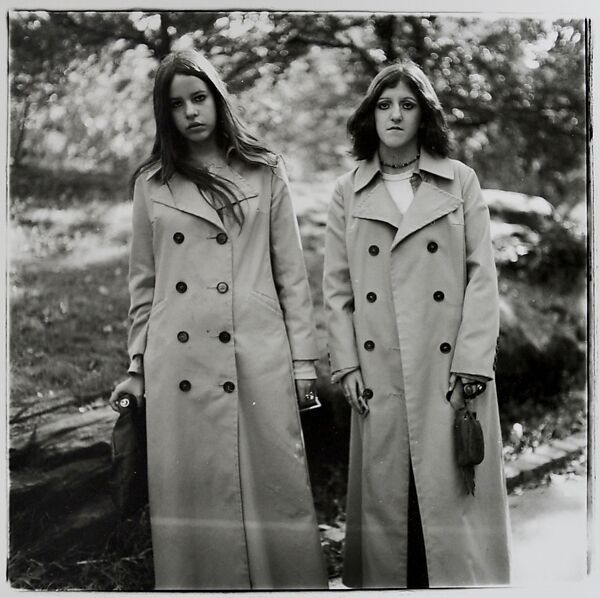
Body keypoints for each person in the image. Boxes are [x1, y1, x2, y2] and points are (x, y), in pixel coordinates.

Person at [109, 50, 328, 591]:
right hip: (178, 361)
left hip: (256, 355)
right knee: (193, 505)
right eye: (176, 103)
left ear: (218, 99)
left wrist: (304, 362)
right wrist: (137, 365)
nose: (190, 112)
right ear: (166, 114)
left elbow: (292, 275)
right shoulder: (151, 183)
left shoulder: (265, 168)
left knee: (276, 492)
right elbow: (144, 286)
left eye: (199, 97)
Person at [323, 61, 511, 589]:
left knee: (450, 505)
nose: (395, 115)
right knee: (391, 508)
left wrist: (472, 361)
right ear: (369, 116)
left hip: (450, 370)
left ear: (424, 114)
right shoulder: (348, 192)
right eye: (384, 105)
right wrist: (346, 365)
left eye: (407, 104)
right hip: (379, 370)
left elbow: (482, 278)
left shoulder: (460, 182)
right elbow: (337, 288)